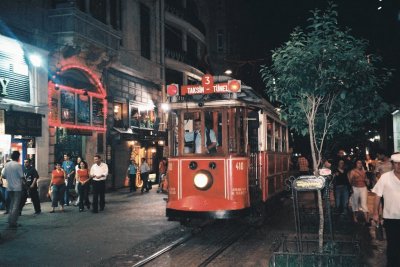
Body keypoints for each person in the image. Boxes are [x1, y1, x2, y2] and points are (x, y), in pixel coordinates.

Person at [372, 153, 400, 267]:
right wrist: (375, 213)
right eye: (397, 164)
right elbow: (377, 196)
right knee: (393, 246)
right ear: (392, 164)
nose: (399, 166)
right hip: (391, 218)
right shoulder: (385, 177)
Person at [2, 151, 24, 228]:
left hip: (9, 187)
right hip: (17, 188)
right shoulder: (18, 165)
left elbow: (3, 176)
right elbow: (22, 176)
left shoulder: (7, 165)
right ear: (18, 157)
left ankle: (10, 220)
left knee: (11, 204)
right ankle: (13, 222)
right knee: (15, 205)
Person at [348, 160, 370, 224]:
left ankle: (367, 219)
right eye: (358, 163)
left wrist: (367, 181)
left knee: (364, 203)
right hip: (355, 188)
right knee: (355, 203)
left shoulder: (363, 171)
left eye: (361, 163)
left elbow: (366, 179)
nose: (360, 164)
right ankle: (355, 217)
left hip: (363, 187)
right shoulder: (353, 171)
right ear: (356, 164)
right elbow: (350, 180)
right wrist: (351, 188)